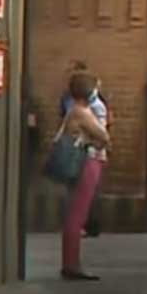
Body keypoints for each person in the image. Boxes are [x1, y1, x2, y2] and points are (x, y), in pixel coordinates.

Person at [59, 71, 112, 281]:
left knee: (74, 212)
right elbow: (104, 136)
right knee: (78, 215)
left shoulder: (73, 110)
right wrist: (101, 138)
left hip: (80, 163)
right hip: (86, 163)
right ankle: (72, 265)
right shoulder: (82, 112)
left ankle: (70, 262)